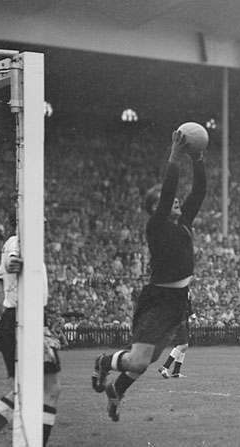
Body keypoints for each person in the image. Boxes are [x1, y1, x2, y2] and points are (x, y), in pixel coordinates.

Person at [91, 128, 206, 422]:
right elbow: (169, 192)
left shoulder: (183, 223)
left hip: (178, 300)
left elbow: (200, 192)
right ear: (155, 209)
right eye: (167, 202)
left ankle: (116, 390)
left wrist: (199, 159)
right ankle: (104, 361)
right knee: (139, 362)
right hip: (159, 300)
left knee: (151, 358)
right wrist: (175, 156)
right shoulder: (156, 226)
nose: (177, 202)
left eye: (177, 202)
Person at [0, 226, 62, 446]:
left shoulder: (22, 244)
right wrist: (14, 264)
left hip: (23, 318)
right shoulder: (17, 242)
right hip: (24, 320)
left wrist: (5, 300)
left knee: (27, 391)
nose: (44, 219)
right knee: (47, 389)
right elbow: (12, 259)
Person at [159, 296, 195, 379]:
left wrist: (193, 316)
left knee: (183, 347)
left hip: (183, 319)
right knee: (183, 345)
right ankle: (165, 367)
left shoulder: (185, 289)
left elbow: (188, 304)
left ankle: (176, 372)